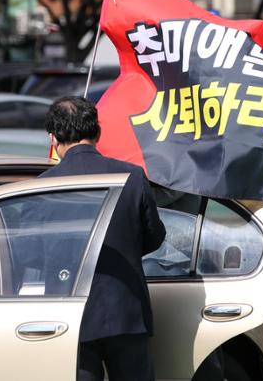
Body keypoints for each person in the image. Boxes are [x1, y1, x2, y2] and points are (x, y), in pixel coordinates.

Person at [41, 97, 166, 381]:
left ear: (53, 137)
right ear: (97, 132)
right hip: (126, 309)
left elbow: (32, 252)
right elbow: (154, 237)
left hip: (70, 315)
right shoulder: (132, 176)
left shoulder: (44, 185)